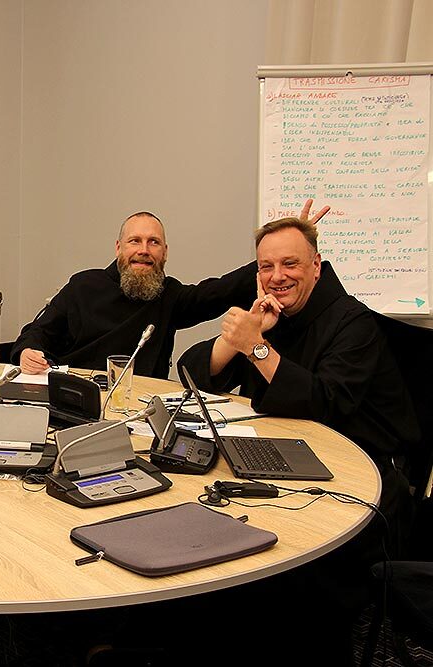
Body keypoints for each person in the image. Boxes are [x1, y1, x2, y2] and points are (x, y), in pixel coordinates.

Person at [177, 216, 420, 661]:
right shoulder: (274, 317)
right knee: (206, 535)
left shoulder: (353, 323)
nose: (277, 276)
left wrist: (257, 348)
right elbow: (193, 372)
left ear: (316, 267)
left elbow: (323, 403)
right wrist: (240, 339)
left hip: (365, 483)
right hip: (290, 462)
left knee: (281, 575)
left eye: (290, 264)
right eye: (266, 267)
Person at [11, 201, 330, 378]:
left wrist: (277, 256)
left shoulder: (170, 296)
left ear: (164, 253)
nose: (144, 250)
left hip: (138, 412)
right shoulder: (83, 285)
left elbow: (220, 291)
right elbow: (35, 333)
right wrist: (27, 353)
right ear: (119, 248)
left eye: (154, 242)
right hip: (76, 403)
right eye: (135, 241)